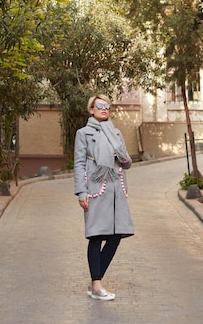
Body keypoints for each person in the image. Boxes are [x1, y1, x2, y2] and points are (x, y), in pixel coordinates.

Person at [74, 94, 134, 301]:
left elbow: (127, 163)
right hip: (96, 189)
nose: (104, 108)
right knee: (96, 236)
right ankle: (96, 284)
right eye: (99, 105)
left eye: (107, 105)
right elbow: (79, 164)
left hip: (116, 190)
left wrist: (120, 155)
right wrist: (81, 192)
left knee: (116, 235)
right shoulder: (83, 134)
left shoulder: (116, 133)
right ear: (91, 109)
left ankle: (95, 281)